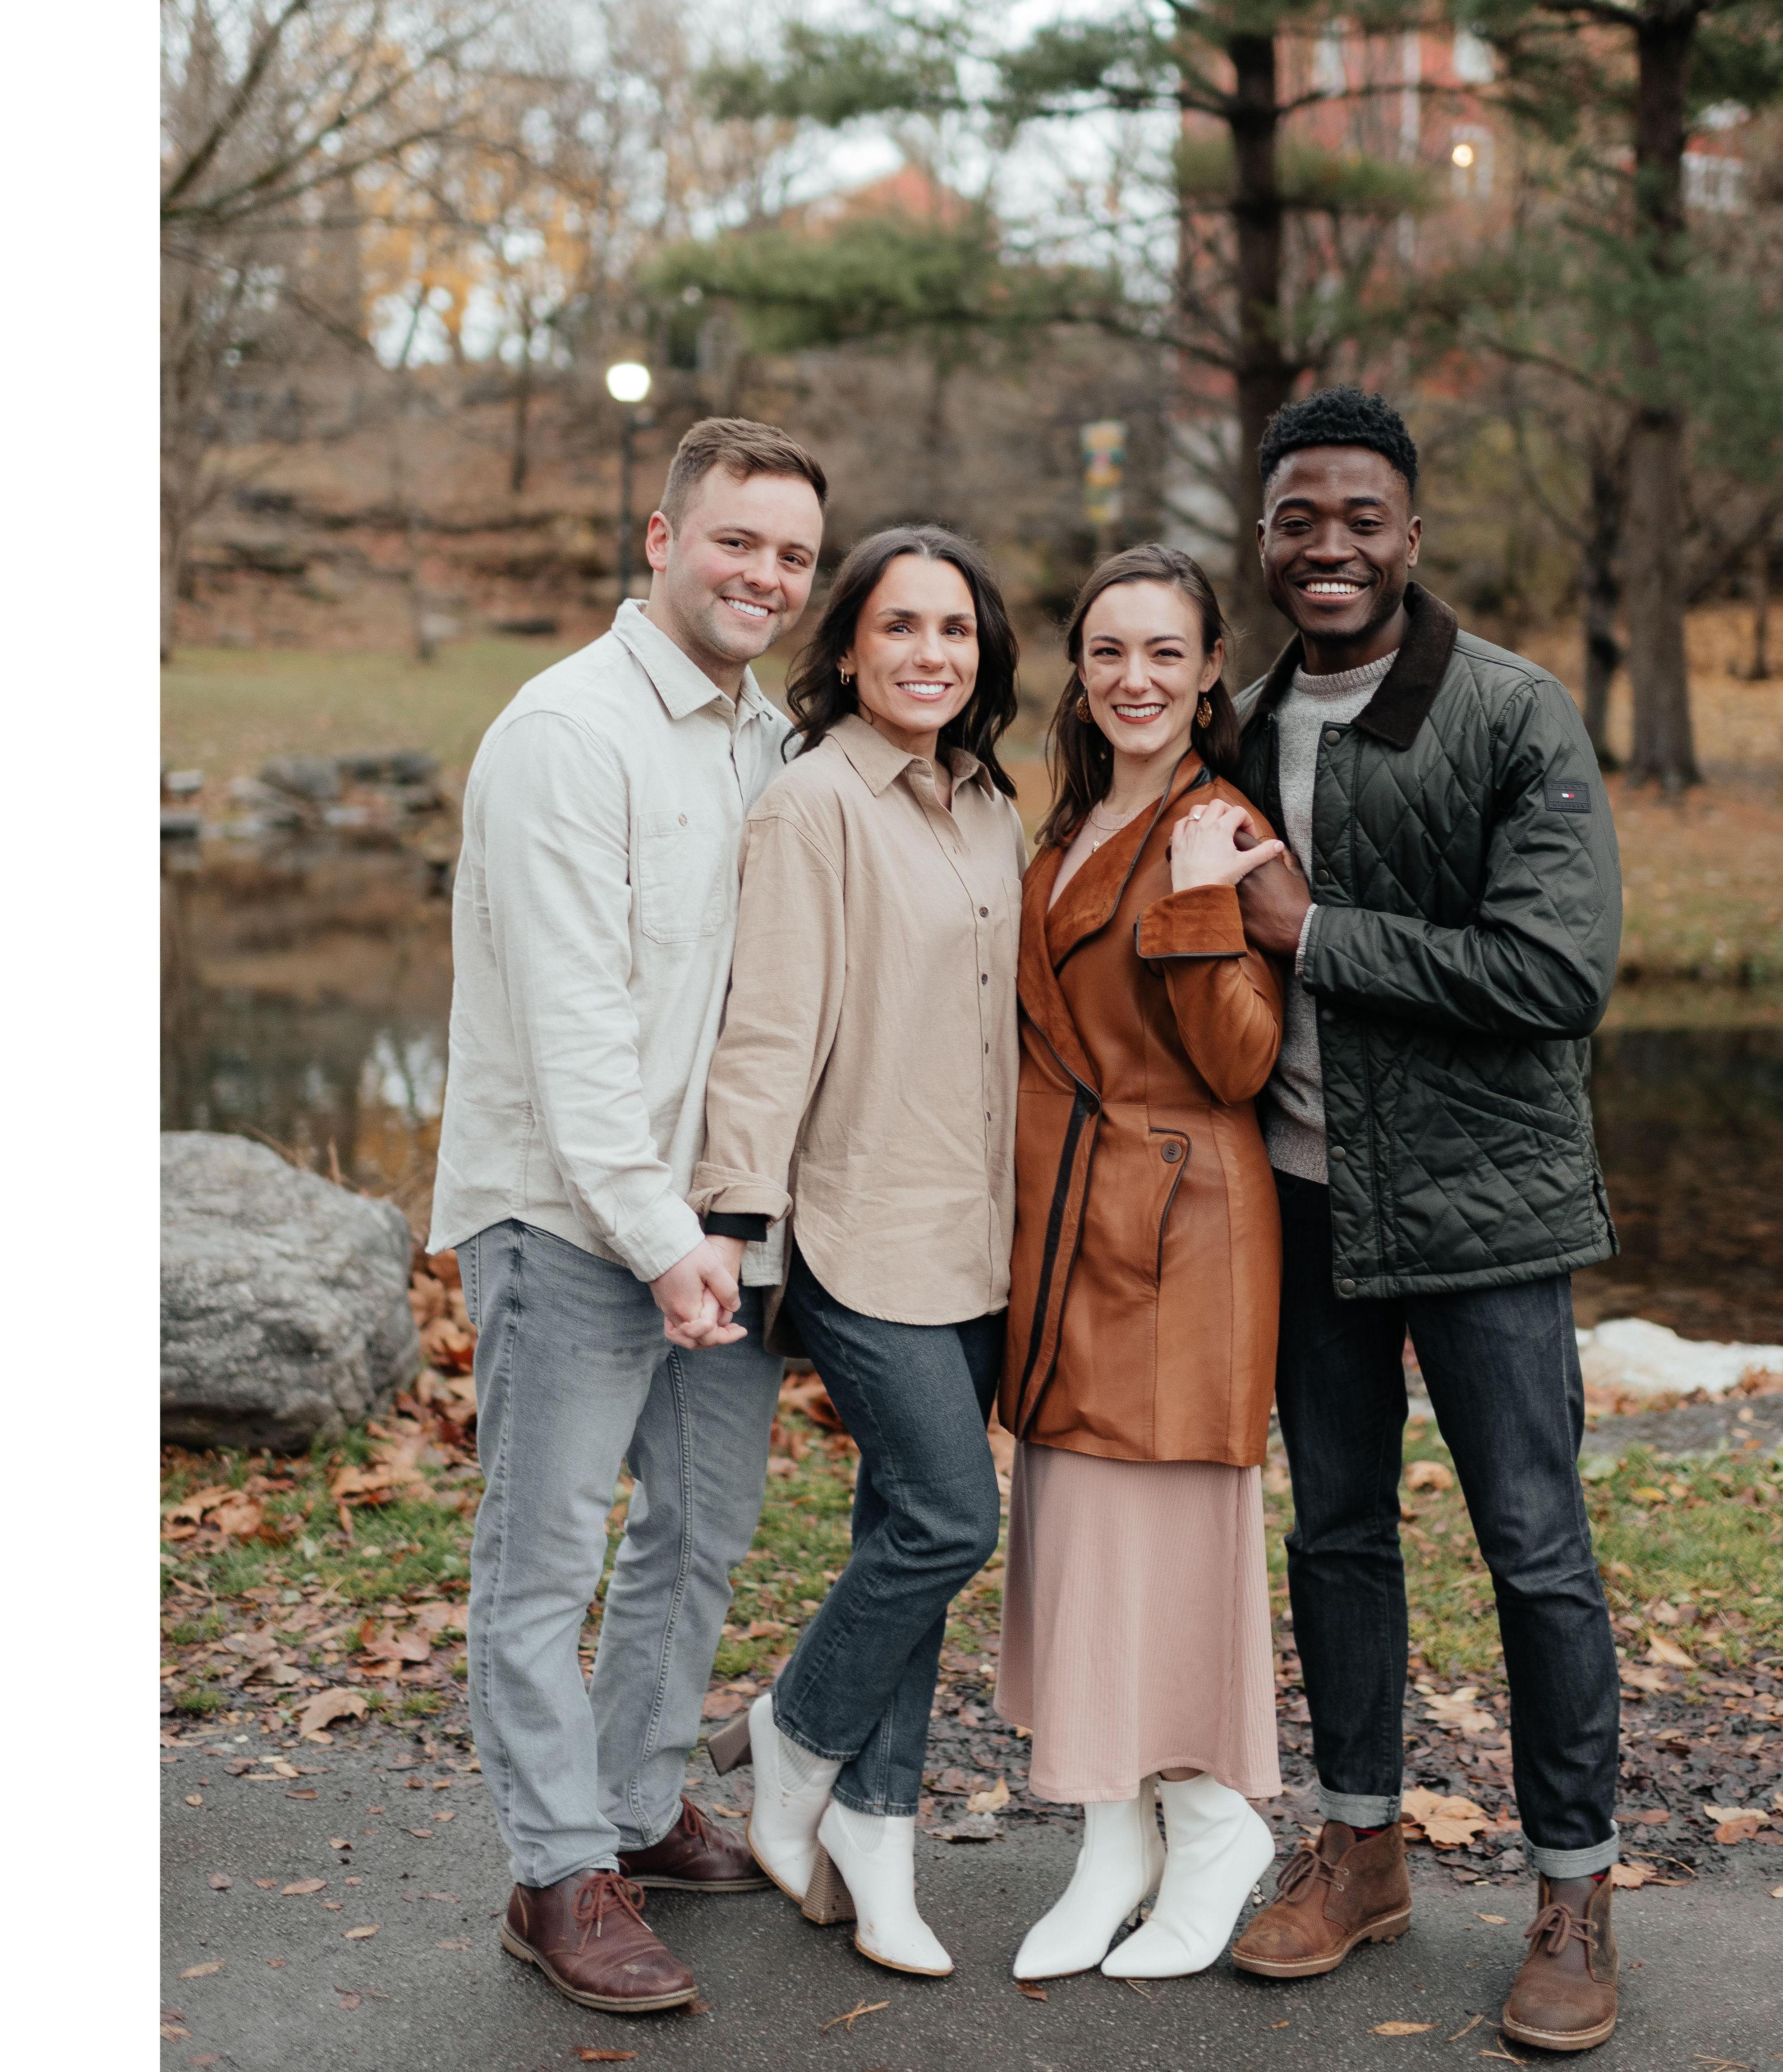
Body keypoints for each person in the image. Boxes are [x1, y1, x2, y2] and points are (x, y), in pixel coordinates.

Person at [1221, 388, 1628, 2057]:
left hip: (1488, 1217)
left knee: (1533, 1548)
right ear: (1263, 539)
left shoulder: (1511, 716)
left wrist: (1318, 935)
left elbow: (1553, 974)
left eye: (1360, 519)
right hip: (1303, 1209)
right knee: (1334, 1535)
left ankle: (1573, 1886)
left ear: (1412, 532)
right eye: (1298, 520)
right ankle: (1362, 1840)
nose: (1329, 548)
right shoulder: (1234, 724)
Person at [428, 419, 829, 2012]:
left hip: (719, 1231)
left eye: (793, 554)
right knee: (542, 1559)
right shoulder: (564, 734)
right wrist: (660, 1239)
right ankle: (553, 1871)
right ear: (661, 539)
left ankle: (640, 1801)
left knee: (698, 1536)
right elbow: (572, 1029)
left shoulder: (765, 733)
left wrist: (721, 1226)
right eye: (738, 541)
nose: (766, 575)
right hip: (573, 1222)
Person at [688, 525, 1025, 1979]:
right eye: (901, 627)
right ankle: (792, 1727)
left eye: (954, 630)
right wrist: (732, 1222)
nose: (930, 654)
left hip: (980, 1237)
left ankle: (872, 1850)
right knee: (954, 1523)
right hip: (857, 1226)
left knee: (903, 1533)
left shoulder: (989, 804)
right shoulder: (811, 805)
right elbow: (766, 1031)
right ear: (846, 650)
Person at [994, 545, 1291, 1983]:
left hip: (1180, 1236)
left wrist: (1190, 906)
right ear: (1080, 666)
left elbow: (1242, 1058)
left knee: (1156, 1546)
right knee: (1078, 1539)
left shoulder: (1219, 824)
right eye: (1109, 651)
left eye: (1164, 653)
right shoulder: (1062, 822)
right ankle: (1111, 1836)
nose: (1135, 679)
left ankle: (1211, 1819)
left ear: (1210, 669)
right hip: (1063, 1231)